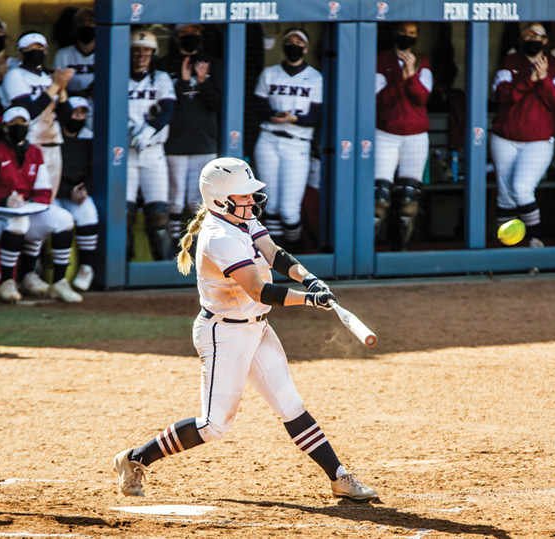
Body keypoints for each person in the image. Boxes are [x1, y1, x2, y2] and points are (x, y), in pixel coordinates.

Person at [113, 157, 377, 501]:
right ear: (220, 199)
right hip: (224, 335)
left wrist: (309, 278)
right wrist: (310, 300)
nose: (252, 201)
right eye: (244, 196)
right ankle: (134, 458)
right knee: (213, 426)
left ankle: (339, 477)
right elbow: (258, 290)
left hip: (257, 329)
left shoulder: (242, 218)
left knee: (291, 405)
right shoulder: (219, 238)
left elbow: (273, 252)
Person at [0, 106, 82, 303]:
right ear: (5, 127)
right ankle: (7, 282)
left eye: (23, 123)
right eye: (14, 123)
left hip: (23, 211)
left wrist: (32, 202)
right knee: (18, 221)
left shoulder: (33, 152)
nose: (19, 127)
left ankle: (58, 282)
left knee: (63, 218)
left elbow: (44, 191)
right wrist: (5, 200)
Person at [490, 22, 555, 248]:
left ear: (545, 40)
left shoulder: (554, 65)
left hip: (538, 140)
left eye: (538, 36)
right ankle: (510, 246)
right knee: (505, 195)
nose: (532, 39)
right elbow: (501, 93)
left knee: (522, 188)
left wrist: (542, 79)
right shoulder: (511, 61)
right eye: (528, 35)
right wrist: (529, 80)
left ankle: (534, 239)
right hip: (505, 137)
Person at [253, 28, 323, 249]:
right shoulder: (270, 73)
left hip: (297, 143)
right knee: (270, 206)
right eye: (289, 41)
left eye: (298, 42)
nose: (293, 45)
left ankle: (294, 251)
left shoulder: (315, 77)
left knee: (289, 210)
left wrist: (293, 118)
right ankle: (277, 258)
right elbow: (257, 106)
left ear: (306, 47)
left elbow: (316, 116)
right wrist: (274, 115)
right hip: (269, 140)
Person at [162, 23, 221, 252]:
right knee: (174, 201)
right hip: (175, 143)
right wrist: (184, 82)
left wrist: (203, 80)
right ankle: (172, 252)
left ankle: (196, 249)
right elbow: (166, 105)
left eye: (195, 33)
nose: (190, 38)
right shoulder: (166, 65)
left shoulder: (212, 64)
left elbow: (216, 103)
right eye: (185, 34)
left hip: (204, 141)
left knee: (196, 201)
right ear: (176, 37)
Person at [374, 21, 433, 251]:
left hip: (416, 135)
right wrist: (401, 77)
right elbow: (381, 98)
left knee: (410, 193)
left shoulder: (422, 61)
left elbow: (422, 97)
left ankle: (401, 249)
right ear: (394, 33)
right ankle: (371, 250)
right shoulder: (382, 60)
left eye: (412, 33)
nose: (407, 37)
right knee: (380, 194)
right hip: (386, 134)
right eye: (403, 32)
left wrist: (410, 76)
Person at [1, 32, 74, 202]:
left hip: (54, 142)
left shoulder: (48, 78)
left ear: (46, 50)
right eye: (29, 48)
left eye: (39, 47)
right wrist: (55, 85)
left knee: (48, 199)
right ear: (20, 52)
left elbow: (67, 117)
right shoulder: (14, 76)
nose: (35, 51)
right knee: (27, 197)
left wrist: (62, 92)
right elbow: (29, 112)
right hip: (30, 144)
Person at [127, 29, 176, 260]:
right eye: (136, 50)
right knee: (124, 213)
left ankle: (162, 265)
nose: (141, 55)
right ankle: (124, 266)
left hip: (153, 151)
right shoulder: (119, 75)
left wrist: (148, 130)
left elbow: (167, 110)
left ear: (153, 53)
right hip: (125, 152)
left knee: (158, 213)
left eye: (146, 50)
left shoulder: (161, 78)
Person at [52, 96, 98, 291]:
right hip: (52, 193)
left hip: (75, 194)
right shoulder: (51, 136)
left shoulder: (89, 139)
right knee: (57, 220)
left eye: (82, 112)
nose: (78, 117)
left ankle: (87, 268)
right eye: (74, 111)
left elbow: (96, 170)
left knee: (88, 213)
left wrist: (83, 189)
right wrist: (65, 191)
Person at [53, 8, 96, 130]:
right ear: (74, 27)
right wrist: (83, 92)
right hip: (73, 113)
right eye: (81, 21)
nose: (86, 24)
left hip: (100, 111)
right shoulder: (63, 54)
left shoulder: (108, 52)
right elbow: (57, 88)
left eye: (90, 21)